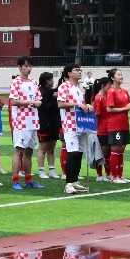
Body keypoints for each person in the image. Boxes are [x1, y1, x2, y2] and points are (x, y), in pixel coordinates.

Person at [9, 57, 46, 191]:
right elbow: (14, 101)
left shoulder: (34, 82)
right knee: (19, 150)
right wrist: (31, 102)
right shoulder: (16, 82)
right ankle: (15, 181)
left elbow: (39, 99)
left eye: (30, 66)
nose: (28, 69)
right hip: (21, 121)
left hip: (33, 121)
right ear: (19, 67)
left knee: (29, 151)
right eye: (25, 66)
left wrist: (37, 103)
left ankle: (28, 180)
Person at [57, 63, 93, 196]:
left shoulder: (77, 88)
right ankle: (68, 183)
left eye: (80, 70)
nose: (79, 72)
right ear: (69, 73)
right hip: (70, 124)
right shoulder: (64, 86)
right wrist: (78, 104)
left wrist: (86, 106)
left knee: (78, 153)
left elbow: (80, 106)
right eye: (76, 70)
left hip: (80, 124)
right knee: (72, 152)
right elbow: (60, 104)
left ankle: (74, 180)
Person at [104, 68, 130, 184]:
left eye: (121, 75)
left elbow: (126, 106)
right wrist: (125, 108)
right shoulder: (111, 91)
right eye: (118, 75)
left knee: (121, 150)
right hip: (115, 124)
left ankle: (120, 175)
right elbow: (109, 109)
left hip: (124, 123)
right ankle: (114, 176)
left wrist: (129, 106)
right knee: (116, 149)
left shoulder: (125, 91)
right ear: (112, 78)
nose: (121, 76)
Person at [36, 72, 62, 179]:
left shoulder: (53, 92)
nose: (53, 81)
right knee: (43, 148)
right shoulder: (41, 92)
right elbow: (46, 107)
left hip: (54, 123)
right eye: (52, 79)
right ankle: (41, 170)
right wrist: (55, 99)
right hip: (44, 123)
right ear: (48, 81)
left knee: (51, 148)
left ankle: (52, 170)